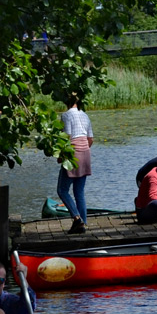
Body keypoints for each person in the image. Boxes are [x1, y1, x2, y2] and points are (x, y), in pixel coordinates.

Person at [59, 94, 93, 235]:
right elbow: (90, 139)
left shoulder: (66, 115)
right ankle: (83, 223)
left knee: (62, 190)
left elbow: (67, 136)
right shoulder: (85, 115)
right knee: (79, 192)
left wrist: (62, 155)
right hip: (85, 153)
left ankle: (77, 218)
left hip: (73, 153)